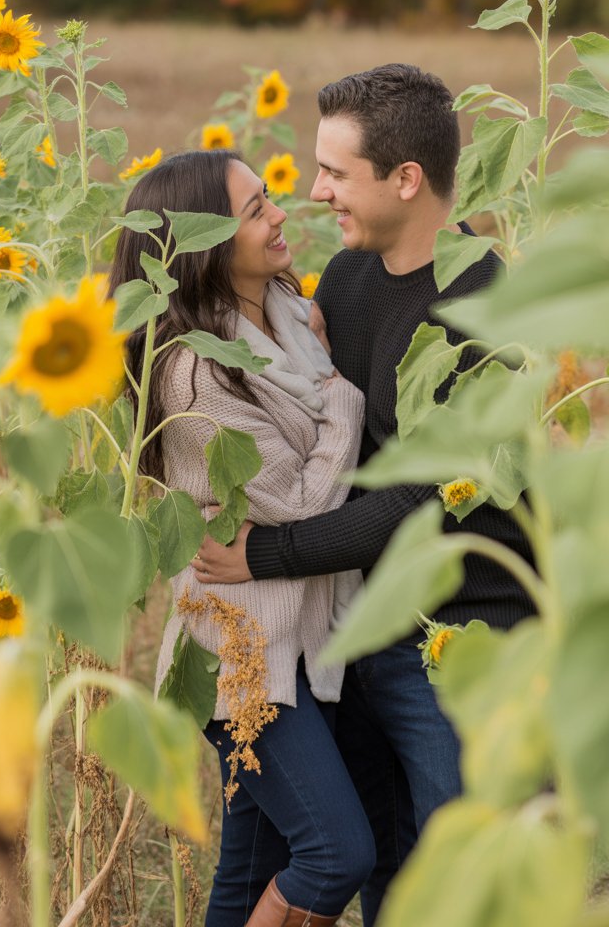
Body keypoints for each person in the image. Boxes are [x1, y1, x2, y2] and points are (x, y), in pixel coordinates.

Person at [192, 64, 538, 924]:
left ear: (406, 179)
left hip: (462, 645)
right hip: (360, 625)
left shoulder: (483, 306)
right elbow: (324, 431)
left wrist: (262, 555)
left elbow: (427, 493)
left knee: (463, 881)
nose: (315, 193)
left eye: (336, 174)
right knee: (385, 869)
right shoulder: (347, 280)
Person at [108, 149, 376, 927]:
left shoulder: (289, 316)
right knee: (336, 854)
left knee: (250, 868)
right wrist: (344, 400)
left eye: (268, 198)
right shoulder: (195, 375)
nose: (281, 213)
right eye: (256, 209)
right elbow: (300, 503)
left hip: (299, 639)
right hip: (242, 656)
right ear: (205, 246)